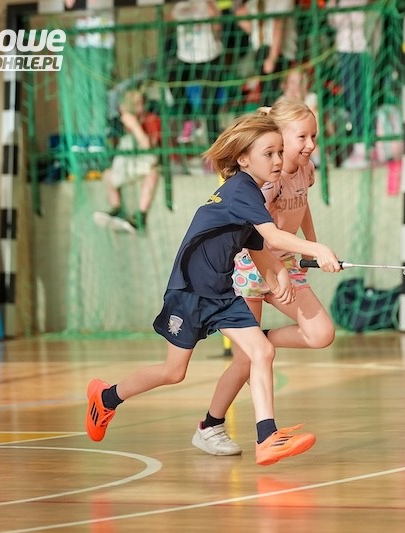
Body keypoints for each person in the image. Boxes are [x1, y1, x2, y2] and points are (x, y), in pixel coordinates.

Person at [85, 113, 342, 466]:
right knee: (174, 372)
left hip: (223, 293)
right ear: (243, 159)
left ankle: (267, 438)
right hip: (190, 292)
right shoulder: (240, 191)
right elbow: (274, 236)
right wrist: (317, 249)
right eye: (269, 153)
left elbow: (257, 247)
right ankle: (106, 397)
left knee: (262, 352)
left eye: (280, 152)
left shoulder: (251, 197)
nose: (278, 160)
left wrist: (277, 276)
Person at [190, 98, 335, 457]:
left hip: (285, 265)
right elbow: (260, 236)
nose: (310, 145)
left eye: (314, 136)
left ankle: (260, 338)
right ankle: (210, 426)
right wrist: (308, 254)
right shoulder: (267, 183)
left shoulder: (306, 169)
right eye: (302, 137)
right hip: (249, 268)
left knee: (321, 334)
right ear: (280, 137)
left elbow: (302, 204)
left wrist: (310, 243)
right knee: (245, 361)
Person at [93, 90, 161, 234]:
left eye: (139, 103)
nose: (138, 108)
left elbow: (147, 147)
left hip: (145, 162)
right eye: (133, 104)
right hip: (126, 163)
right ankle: (116, 209)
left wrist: (135, 126)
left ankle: (140, 217)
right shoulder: (118, 123)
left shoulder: (151, 120)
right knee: (107, 175)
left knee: (153, 174)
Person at [167, 0, 224, 145]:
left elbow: (218, 26)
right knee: (172, 78)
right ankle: (190, 120)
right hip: (186, 58)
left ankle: (213, 144)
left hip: (209, 57)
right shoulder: (180, 5)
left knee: (208, 103)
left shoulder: (208, 4)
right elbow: (168, 20)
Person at [328, 0, 375, 169]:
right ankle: (359, 146)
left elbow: (363, 19)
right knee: (352, 100)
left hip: (363, 50)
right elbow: (334, 22)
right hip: (344, 50)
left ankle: (367, 146)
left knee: (363, 100)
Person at [235, 0, 297, 105]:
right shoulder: (255, 3)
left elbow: (278, 25)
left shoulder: (281, 2)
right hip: (262, 53)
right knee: (268, 98)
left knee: (276, 98)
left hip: (278, 53)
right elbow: (240, 14)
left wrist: (272, 57)